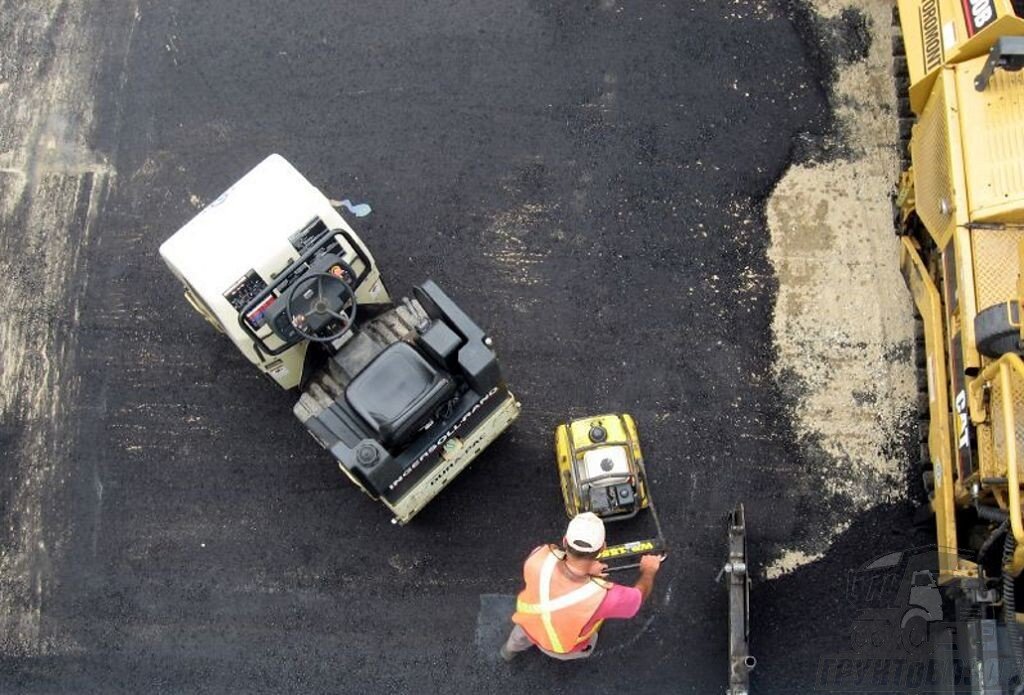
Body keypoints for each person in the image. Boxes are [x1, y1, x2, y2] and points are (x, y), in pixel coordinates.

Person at [500, 512, 664, 661]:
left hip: (528, 626)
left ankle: (507, 654)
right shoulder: (603, 597)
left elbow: (560, 562)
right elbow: (638, 598)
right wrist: (649, 571)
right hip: (560, 647)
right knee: (588, 642)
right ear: (603, 548)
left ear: (565, 541)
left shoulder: (539, 555)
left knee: (516, 640)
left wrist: (585, 569)